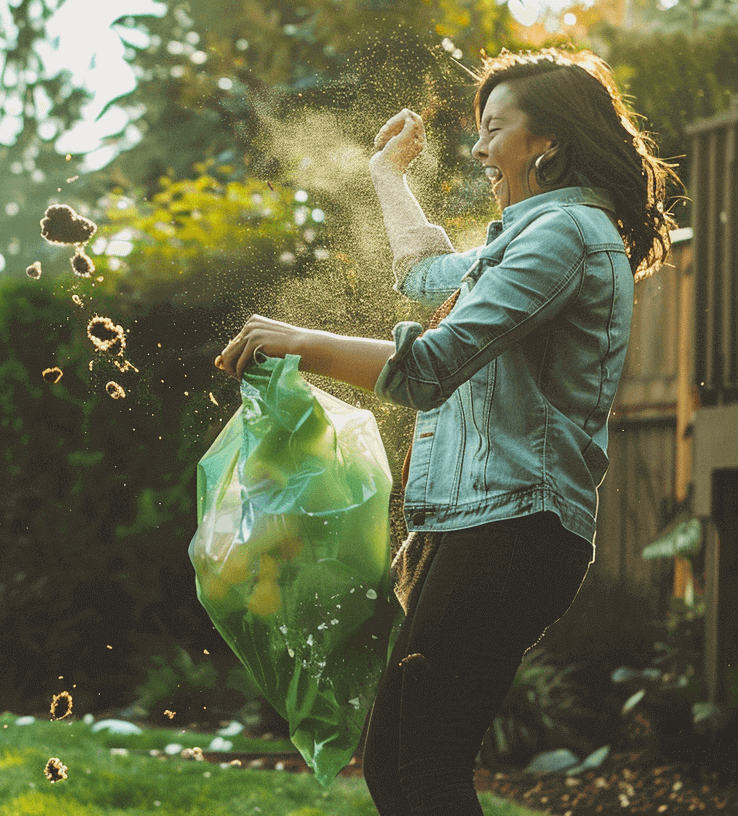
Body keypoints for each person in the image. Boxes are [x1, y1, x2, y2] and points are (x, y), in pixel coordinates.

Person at [214, 48, 677, 815]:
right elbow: (427, 276)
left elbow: (430, 368)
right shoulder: (530, 237)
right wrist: (386, 177)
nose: (478, 147)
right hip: (475, 529)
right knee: (401, 770)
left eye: (495, 128)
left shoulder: (566, 235)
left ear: (548, 141)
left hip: (511, 530)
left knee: (425, 768)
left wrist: (299, 341)